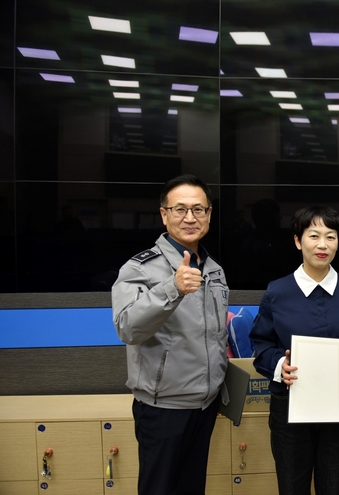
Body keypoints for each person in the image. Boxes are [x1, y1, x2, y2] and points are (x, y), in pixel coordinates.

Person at [112, 174, 229, 495]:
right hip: (163, 408)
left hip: (205, 405)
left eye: (198, 209)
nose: (190, 218)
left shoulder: (214, 269)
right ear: (164, 215)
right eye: (180, 209)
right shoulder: (140, 268)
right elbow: (127, 327)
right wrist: (172, 288)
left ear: (209, 214)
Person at [250, 205, 339, 495]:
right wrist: (280, 366)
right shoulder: (278, 291)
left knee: (332, 487)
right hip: (290, 407)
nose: (322, 244)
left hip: (337, 411)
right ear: (297, 241)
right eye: (314, 235)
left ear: (338, 242)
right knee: (292, 487)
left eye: (330, 237)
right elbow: (261, 344)